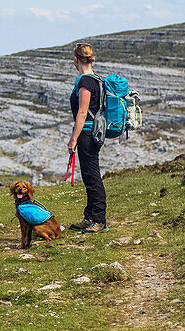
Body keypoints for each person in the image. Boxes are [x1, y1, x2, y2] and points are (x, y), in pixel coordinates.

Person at [66, 42, 107, 233]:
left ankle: (99, 219)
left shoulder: (85, 82)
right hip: (95, 132)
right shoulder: (98, 80)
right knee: (89, 174)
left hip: (87, 134)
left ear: (76, 60)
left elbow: (82, 113)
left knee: (92, 176)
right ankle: (89, 216)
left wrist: (73, 138)